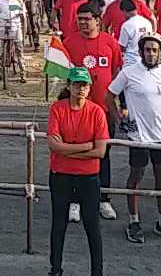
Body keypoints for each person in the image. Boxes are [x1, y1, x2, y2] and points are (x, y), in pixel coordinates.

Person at [104, 32, 161, 244]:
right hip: (138, 136)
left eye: (154, 50)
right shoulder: (129, 72)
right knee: (136, 178)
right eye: (147, 49)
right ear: (141, 52)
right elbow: (109, 95)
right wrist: (119, 120)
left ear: (160, 52)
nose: (150, 53)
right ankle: (133, 221)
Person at [62, 4, 122, 221]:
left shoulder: (110, 42)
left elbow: (116, 70)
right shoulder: (70, 43)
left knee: (103, 155)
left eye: (87, 19)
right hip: (78, 110)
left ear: (98, 19)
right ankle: (75, 201)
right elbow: (63, 71)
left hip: (104, 110)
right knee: (77, 155)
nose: (83, 23)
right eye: (80, 19)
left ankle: (103, 199)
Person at [47, 67, 109, 276]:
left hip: (88, 176)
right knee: (59, 224)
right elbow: (54, 146)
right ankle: (55, 269)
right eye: (76, 84)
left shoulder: (97, 111)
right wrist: (85, 147)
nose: (80, 89)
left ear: (90, 88)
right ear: (69, 86)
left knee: (92, 226)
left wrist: (67, 150)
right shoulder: (57, 109)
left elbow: (100, 151)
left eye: (84, 85)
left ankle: (97, 271)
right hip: (61, 174)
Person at [0, 0, 27, 82]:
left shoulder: (18, 0)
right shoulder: (1, 0)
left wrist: (24, 31)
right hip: (4, 26)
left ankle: (23, 71)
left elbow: (23, 16)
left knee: (19, 50)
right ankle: (0, 71)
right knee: (3, 50)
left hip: (16, 26)